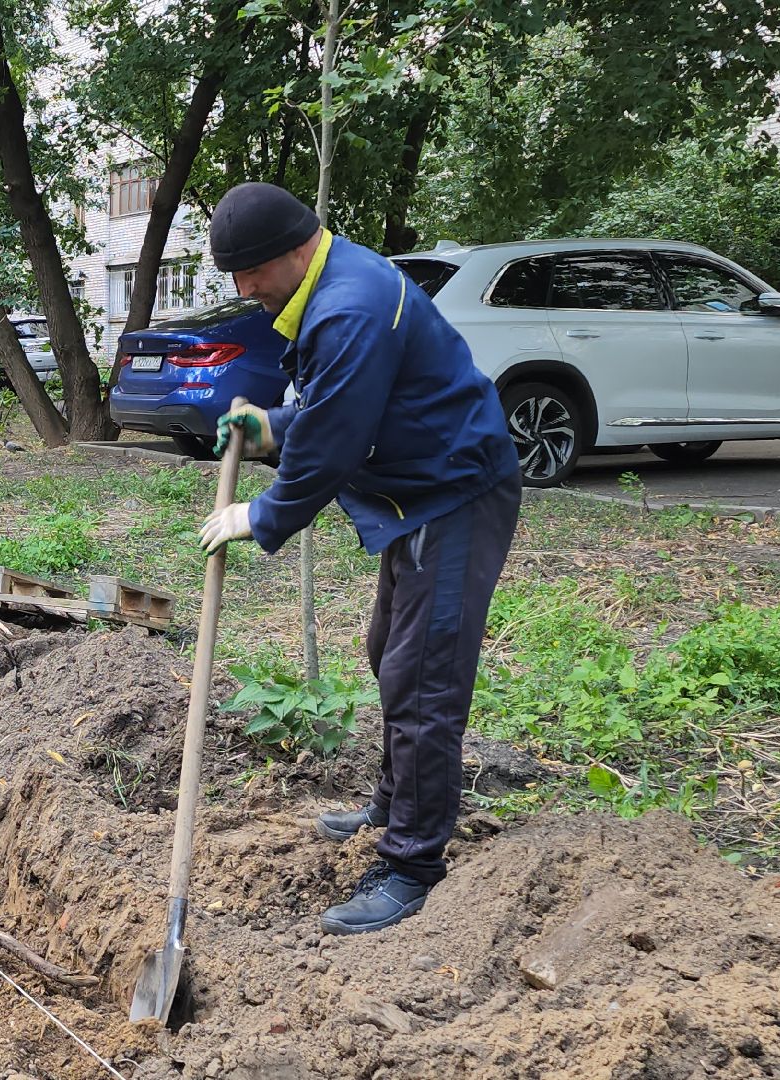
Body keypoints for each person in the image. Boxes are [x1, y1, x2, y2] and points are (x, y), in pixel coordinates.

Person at [198, 183, 521, 936]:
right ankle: (394, 801)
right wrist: (269, 422)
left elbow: (334, 443)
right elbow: (342, 403)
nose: (245, 292)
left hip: (455, 495)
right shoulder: (335, 285)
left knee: (422, 676)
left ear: (292, 251)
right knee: (390, 651)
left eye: (249, 274)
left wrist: (262, 512)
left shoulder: (348, 308)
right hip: (419, 491)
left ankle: (412, 864)